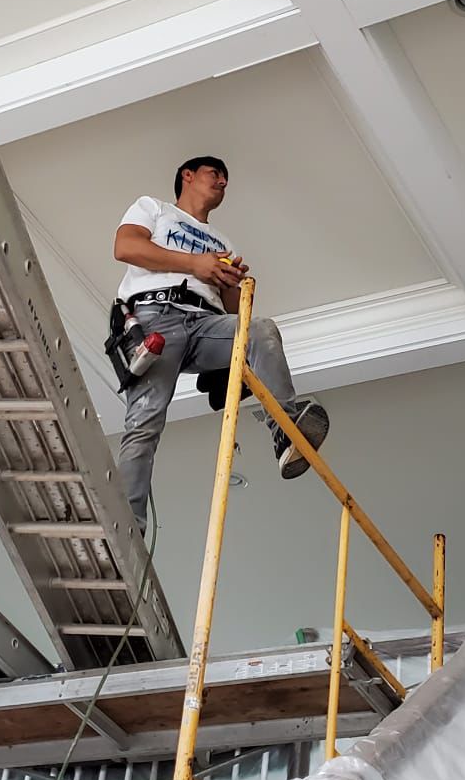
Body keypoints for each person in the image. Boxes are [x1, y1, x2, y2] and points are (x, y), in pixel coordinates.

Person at [111, 155, 330, 532]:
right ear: (188, 176)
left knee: (259, 329)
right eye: (215, 174)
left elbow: (232, 313)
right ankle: (127, 524)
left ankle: (285, 430)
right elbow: (126, 247)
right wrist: (195, 265)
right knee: (145, 420)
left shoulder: (223, 242)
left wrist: (230, 283)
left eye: (226, 178)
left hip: (205, 322)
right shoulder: (154, 208)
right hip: (155, 316)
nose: (223, 182)